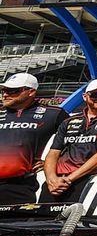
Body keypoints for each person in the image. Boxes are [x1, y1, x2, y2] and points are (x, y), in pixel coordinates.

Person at [41, 78, 97, 203]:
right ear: (85, 96)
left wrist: (69, 179)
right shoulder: (68, 121)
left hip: (88, 180)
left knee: (78, 221)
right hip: (56, 183)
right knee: (41, 221)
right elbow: (53, 152)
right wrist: (51, 178)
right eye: (96, 95)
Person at [0, 72, 67, 204]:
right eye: (3, 91)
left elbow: (78, 140)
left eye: (13, 91)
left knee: (14, 224)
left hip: (18, 187)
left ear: (31, 92)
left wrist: (52, 162)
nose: (5, 95)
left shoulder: (53, 114)